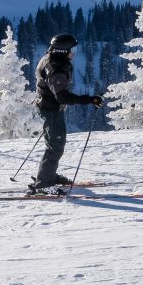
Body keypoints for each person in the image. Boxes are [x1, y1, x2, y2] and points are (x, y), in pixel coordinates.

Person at [31, 33, 102, 193]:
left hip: (49, 106)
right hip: (50, 109)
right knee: (55, 146)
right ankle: (44, 185)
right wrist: (89, 100)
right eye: (72, 49)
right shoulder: (56, 69)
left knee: (55, 144)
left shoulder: (52, 59)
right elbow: (62, 96)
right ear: (63, 51)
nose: (74, 52)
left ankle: (48, 175)